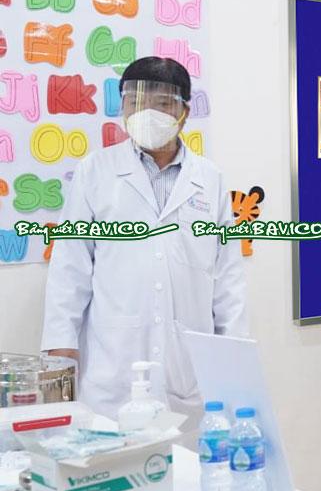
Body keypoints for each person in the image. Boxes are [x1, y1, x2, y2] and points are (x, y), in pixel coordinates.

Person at [41, 57, 247, 424]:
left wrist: (235, 357)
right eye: (135, 102)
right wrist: (61, 350)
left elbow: (228, 277)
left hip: (187, 371)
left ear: (184, 112)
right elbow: (69, 268)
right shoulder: (95, 171)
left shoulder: (209, 179)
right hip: (113, 368)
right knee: (112, 454)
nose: (146, 113)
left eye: (162, 103)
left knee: (187, 457)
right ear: (122, 107)